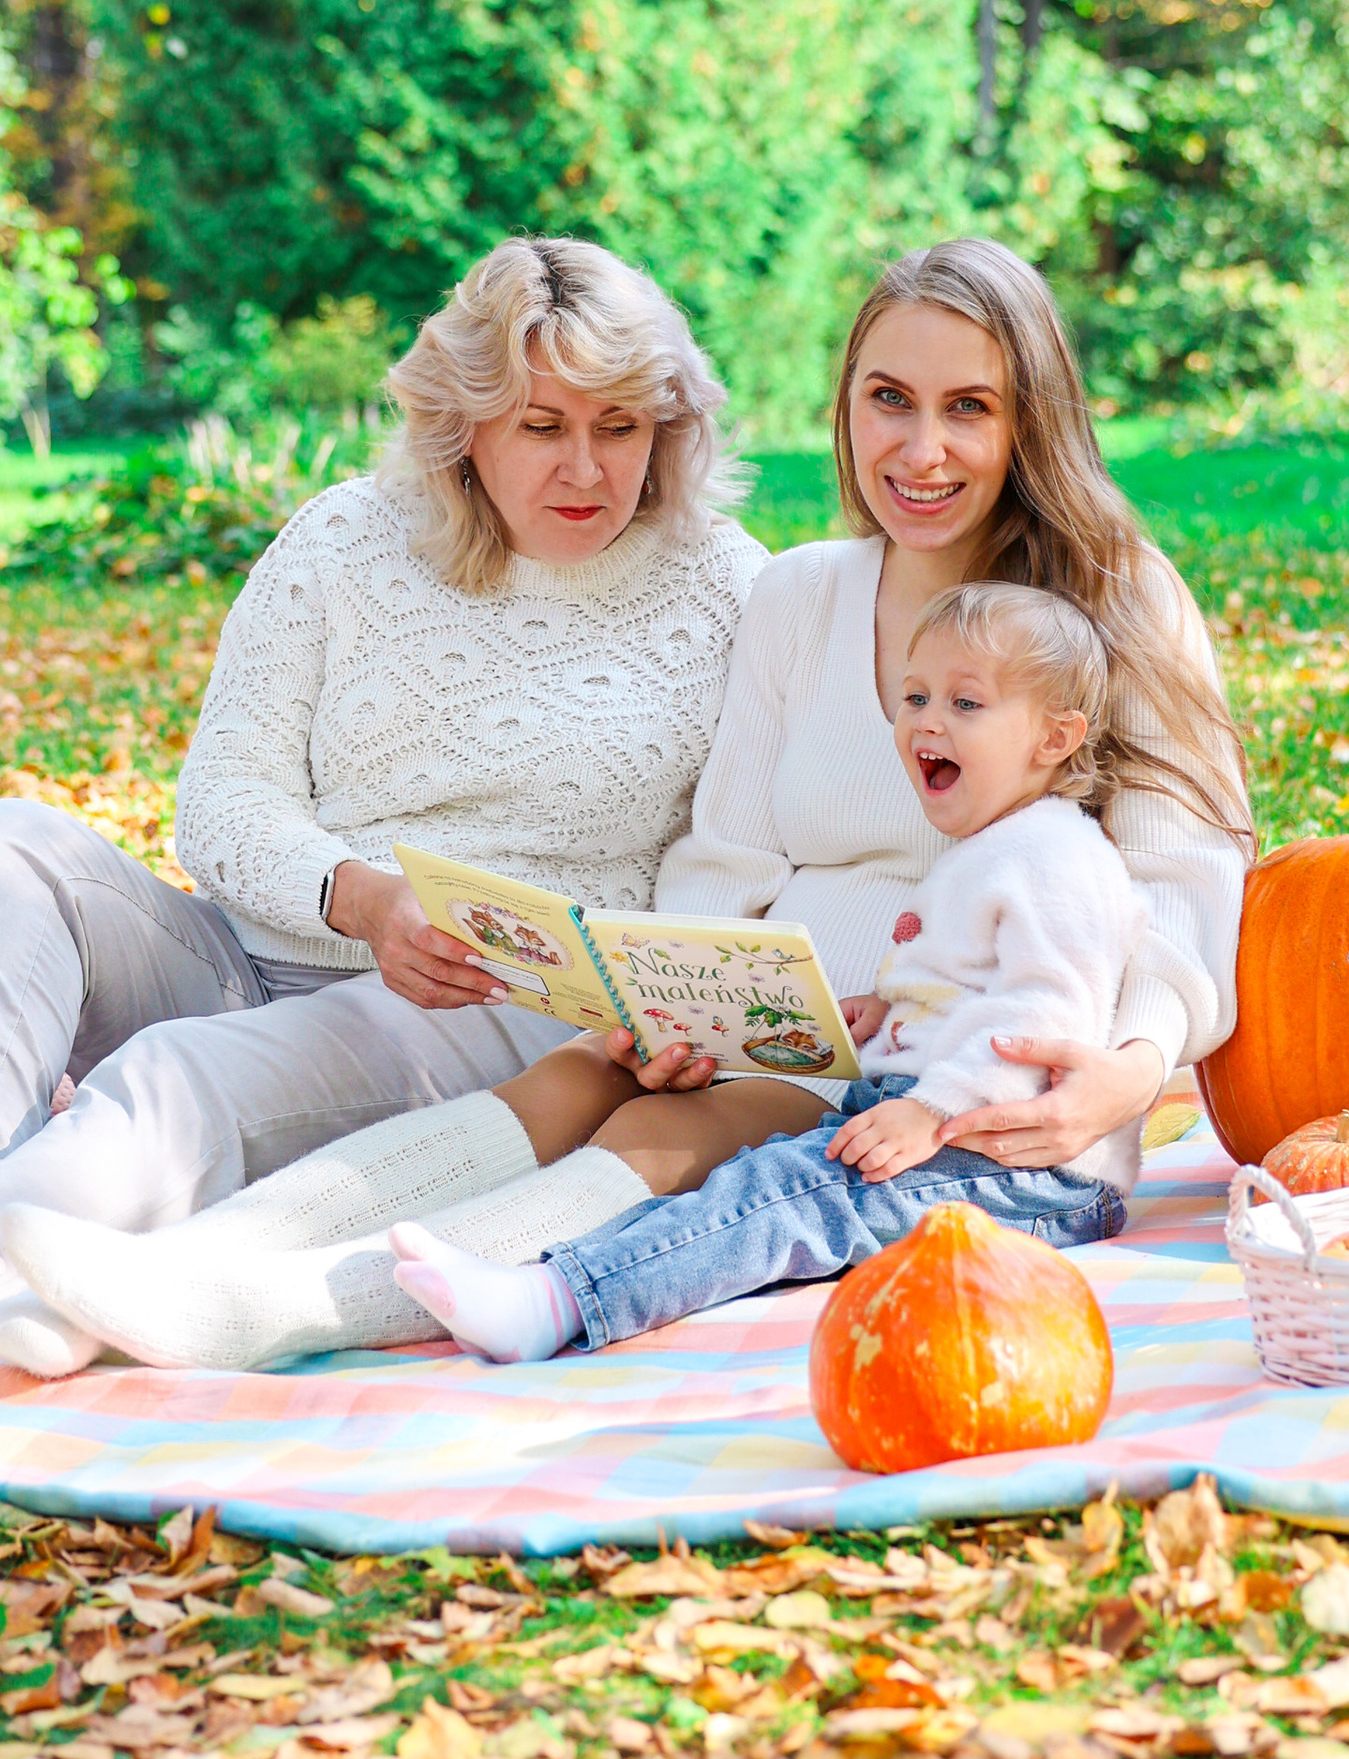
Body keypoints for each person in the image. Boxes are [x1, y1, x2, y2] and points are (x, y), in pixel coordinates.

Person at [3, 235, 1254, 1368]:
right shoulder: (802, 594)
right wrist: (674, 1004)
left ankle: (267, 1313)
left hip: (960, 1074)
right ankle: (168, 1276)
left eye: (967, 409)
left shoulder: (1116, 603)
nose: (920, 450)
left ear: (1029, 422)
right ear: (847, 409)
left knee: (645, 1146)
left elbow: (1184, 902)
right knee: (560, 1088)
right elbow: (721, 861)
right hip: (780, 1027)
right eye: (889, 400)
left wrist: (1125, 1072)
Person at [0, 237, 762, 1397]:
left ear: (669, 428)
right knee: (5, 843)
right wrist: (362, 896)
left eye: (621, 427)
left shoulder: (726, 585)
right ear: (465, 428)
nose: (588, 470)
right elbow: (222, 803)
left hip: (489, 1013)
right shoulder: (344, 542)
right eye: (542, 428)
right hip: (260, 953)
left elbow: (761, 837)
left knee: (176, 1075)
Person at [396, 580, 1145, 1355]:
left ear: (1055, 739)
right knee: (751, 1183)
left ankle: (556, 1304)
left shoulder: (1056, 856)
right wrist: (890, 1011)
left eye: (965, 704)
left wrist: (929, 1110)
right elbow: (973, 990)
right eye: (916, 695)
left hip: (1025, 1169)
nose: (927, 721)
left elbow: (1043, 1019)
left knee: (787, 1198)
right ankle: (558, 1276)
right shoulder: (996, 849)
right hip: (946, 1127)